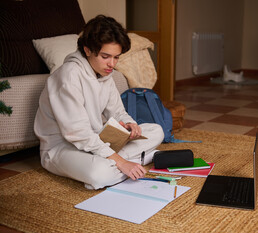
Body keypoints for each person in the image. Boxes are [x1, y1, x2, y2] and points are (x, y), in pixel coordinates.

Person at [34, 15, 164, 190]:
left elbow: (117, 111)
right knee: (100, 174)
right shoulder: (68, 76)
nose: (112, 64)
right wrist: (121, 162)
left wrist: (130, 124)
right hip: (62, 149)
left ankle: (124, 162)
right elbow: (78, 134)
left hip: (96, 142)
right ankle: (139, 159)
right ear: (88, 50)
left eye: (116, 57)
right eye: (105, 56)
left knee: (156, 131)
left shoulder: (104, 73)